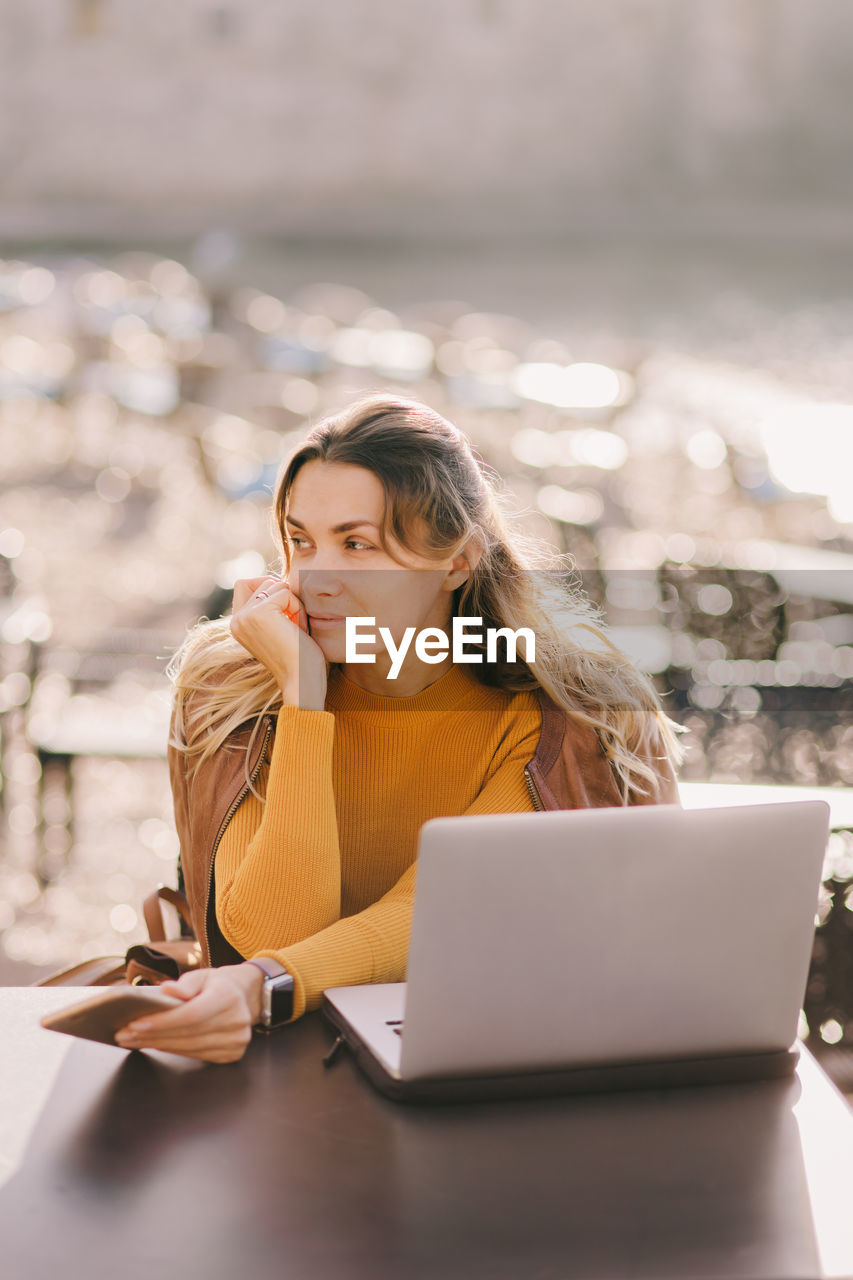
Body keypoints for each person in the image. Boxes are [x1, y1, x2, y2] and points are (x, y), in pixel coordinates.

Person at [115, 394, 682, 1062]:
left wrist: (267, 984)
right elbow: (271, 934)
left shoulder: (569, 710)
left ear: (457, 561)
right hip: (273, 1071)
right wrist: (304, 699)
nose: (312, 578)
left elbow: (443, 911)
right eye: (299, 541)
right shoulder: (233, 690)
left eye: (356, 545)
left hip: (504, 1065)